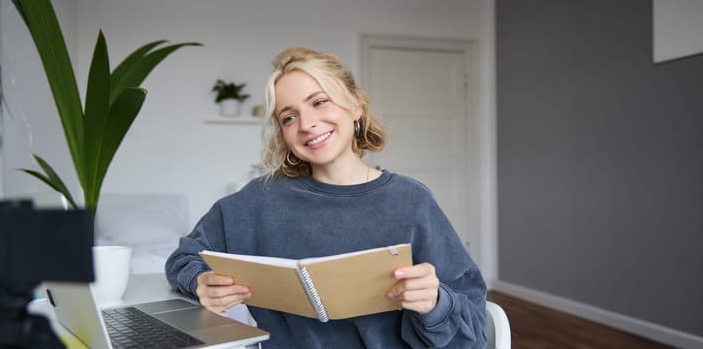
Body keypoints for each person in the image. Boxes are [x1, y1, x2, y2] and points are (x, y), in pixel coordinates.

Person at [165, 47, 487, 348]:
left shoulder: (411, 201)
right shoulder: (259, 200)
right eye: (289, 117)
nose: (307, 124)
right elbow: (185, 257)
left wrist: (434, 303)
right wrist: (200, 282)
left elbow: (472, 322)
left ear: (356, 106)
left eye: (319, 102)